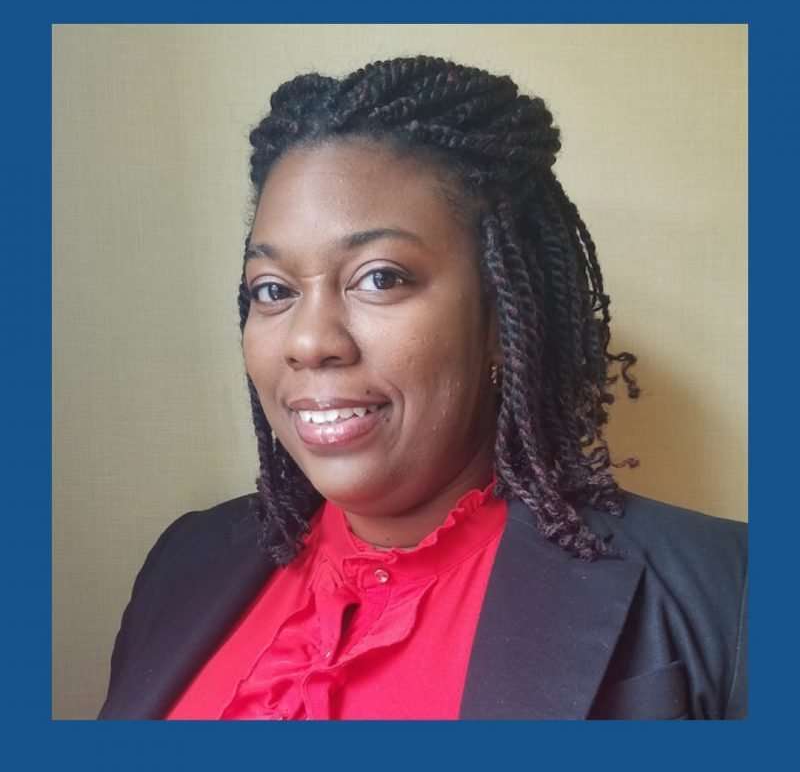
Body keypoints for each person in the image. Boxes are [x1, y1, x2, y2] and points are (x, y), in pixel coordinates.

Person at [98, 56, 747, 720]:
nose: (308, 339)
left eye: (380, 278)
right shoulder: (185, 561)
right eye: (273, 290)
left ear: (502, 317)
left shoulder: (735, 592)